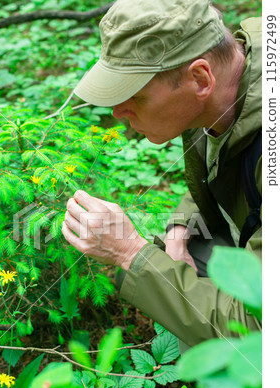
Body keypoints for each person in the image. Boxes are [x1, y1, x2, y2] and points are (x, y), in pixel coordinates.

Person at [62, 0, 261, 348]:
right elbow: (224, 167)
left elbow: (260, 327)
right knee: (185, 251)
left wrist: (129, 253)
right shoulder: (225, 92)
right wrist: (181, 224)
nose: (118, 112)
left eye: (135, 96)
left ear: (200, 78)